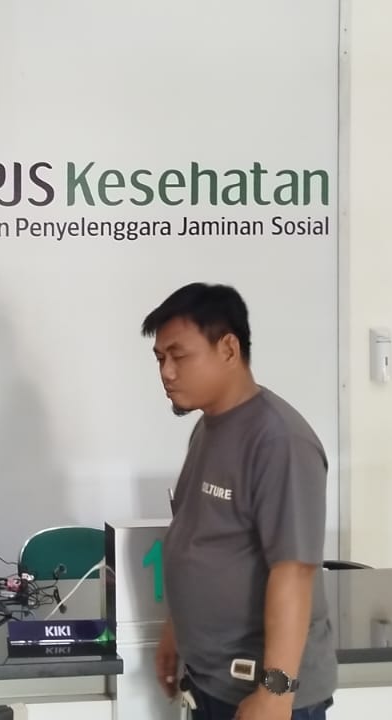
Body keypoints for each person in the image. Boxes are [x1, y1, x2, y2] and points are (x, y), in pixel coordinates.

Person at [143, 283, 336, 720]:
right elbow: (201, 541)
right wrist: (177, 630)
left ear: (228, 349)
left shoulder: (278, 440)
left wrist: (276, 692)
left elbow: (294, 572)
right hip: (212, 680)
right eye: (159, 359)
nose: (166, 372)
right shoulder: (208, 428)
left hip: (266, 693)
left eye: (179, 355)